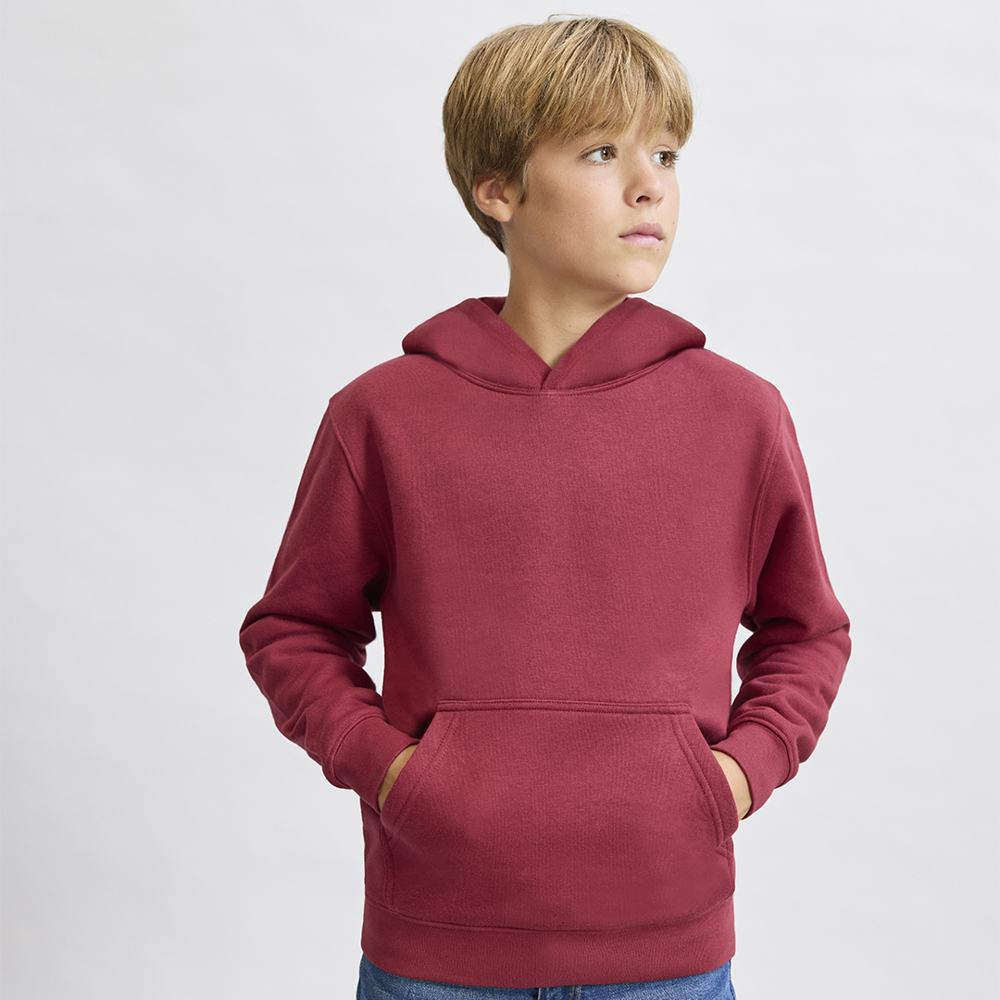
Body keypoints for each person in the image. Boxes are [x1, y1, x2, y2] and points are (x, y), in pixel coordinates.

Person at [239, 17, 850, 999]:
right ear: (499, 189)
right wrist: (396, 774)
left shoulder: (741, 415)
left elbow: (807, 631)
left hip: (667, 953)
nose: (649, 185)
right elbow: (293, 629)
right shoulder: (381, 415)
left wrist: (735, 776)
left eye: (665, 154)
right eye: (602, 151)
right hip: (436, 953)